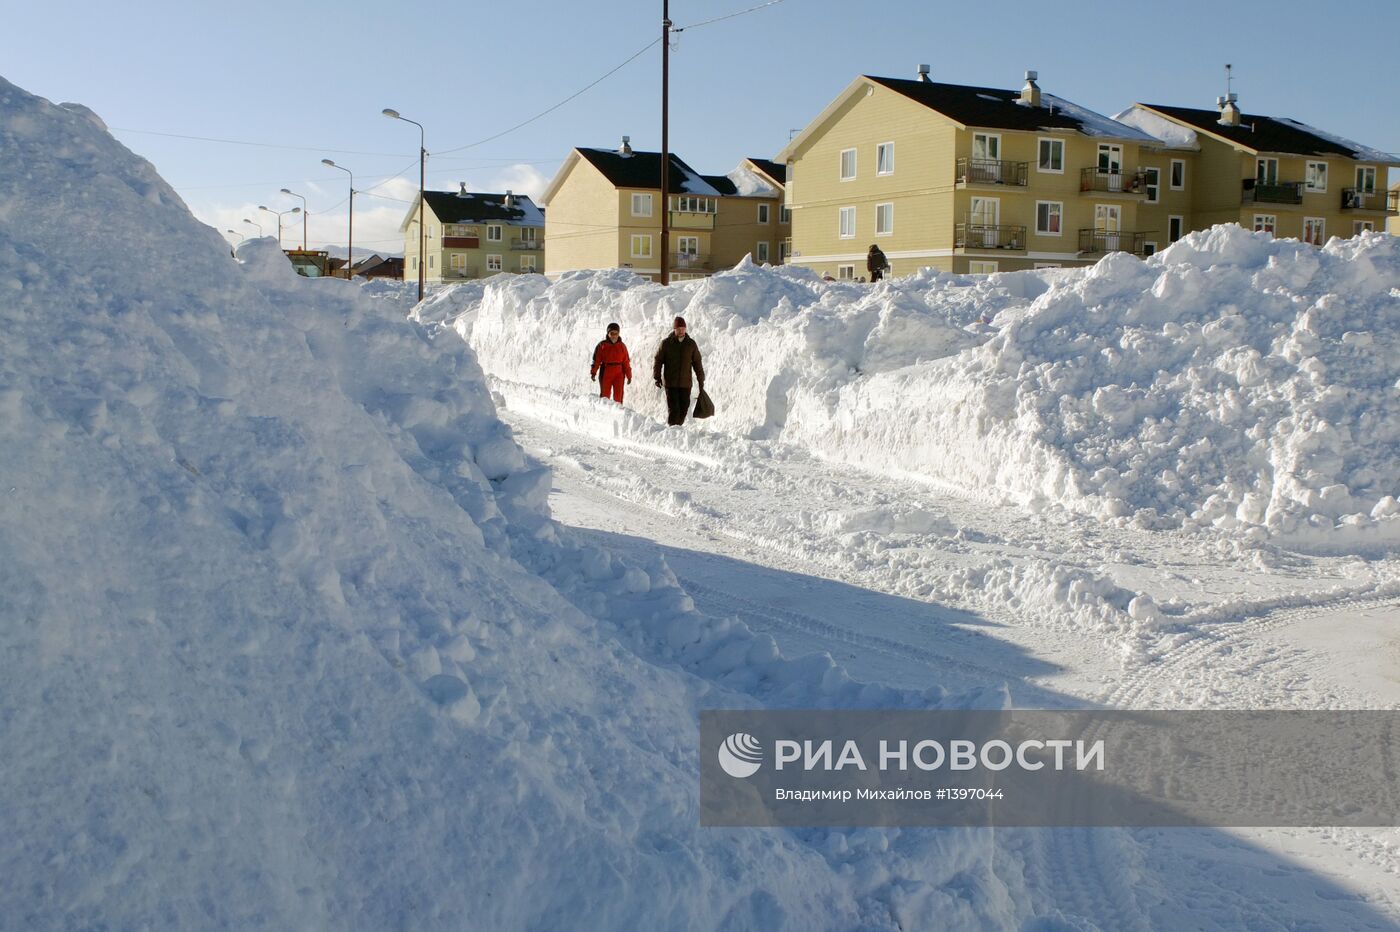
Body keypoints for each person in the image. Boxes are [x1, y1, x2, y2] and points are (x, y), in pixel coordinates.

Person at [653, 316, 704, 426]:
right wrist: (657, 376)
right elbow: (658, 360)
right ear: (674, 329)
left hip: (685, 384)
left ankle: (677, 430)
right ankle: (672, 431)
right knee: (674, 409)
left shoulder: (691, 344)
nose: (681, 331)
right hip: (671, 384)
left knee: (684, 408)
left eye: (683, 328)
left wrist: (701, 379)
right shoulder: (666, 344)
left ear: (685, 329)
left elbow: (697, 363)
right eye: (678, 329)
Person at [590, 322, 632, 403]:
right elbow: (597, 360)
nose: (614, 336)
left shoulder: (622, 346)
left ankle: (618, 413)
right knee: (605, 396)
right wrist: (593, 372)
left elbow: (626, 362)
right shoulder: (602, 345)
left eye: (616, 333)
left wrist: (629, 375)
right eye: (612, 333)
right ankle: (604, 413)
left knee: (618, 396)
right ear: (608, 333)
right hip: (606, 372)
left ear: (618, 334)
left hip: (619, 374)